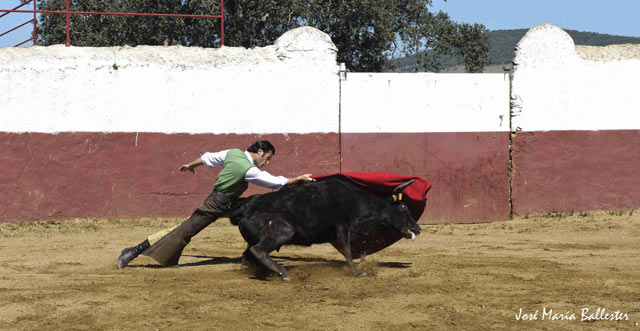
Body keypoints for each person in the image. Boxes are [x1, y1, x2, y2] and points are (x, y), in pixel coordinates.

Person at [117, 140, 315, 268]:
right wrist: (296, 179)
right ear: (260, 151)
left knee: (257, 212)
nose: (268, 162)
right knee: (184, 230)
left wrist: (191, 165)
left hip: (231, 202)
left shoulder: (233, 152)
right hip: (218, 203)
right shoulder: (248, 169)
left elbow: (208, 157)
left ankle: (255, 255)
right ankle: (132, 253)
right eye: (267, 158)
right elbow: (272, 181)